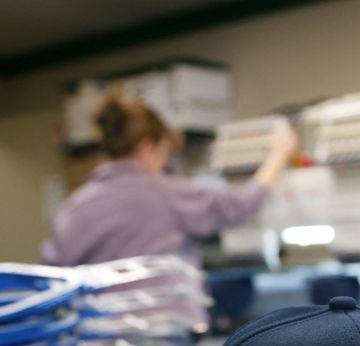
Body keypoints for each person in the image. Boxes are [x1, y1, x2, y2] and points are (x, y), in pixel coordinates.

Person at [42, 95, 298, 267]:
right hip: (163, 338)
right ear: (147, 147)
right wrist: (279, 154)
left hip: (94, 338)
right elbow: (241, 204)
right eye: (165, 153)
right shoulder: (164, 194)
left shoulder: (76, 204)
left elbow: (54, 266)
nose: (166, 165)